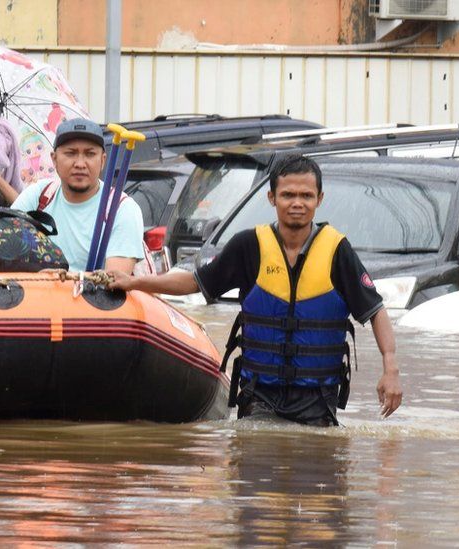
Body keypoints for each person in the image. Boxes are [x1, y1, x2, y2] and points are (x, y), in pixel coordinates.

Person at [110, 155, 402, 426]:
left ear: (319, 199)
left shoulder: (338, 250)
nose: (297, 203)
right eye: (288, 195)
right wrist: (135, 282)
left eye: (306, 196)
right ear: (272, 197)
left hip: (318, 400)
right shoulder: (247, 246)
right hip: (258, 395)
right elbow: (194, 282)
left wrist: (391, 369)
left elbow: (375, 311)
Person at [11, 118, 144, 274]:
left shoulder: (121, 208)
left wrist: (61, 280)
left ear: (102, 160)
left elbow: (113, 282)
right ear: (54, 159)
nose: (80, 164)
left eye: (90, 154)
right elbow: (6, 244)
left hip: (94, 298)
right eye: (71, 153)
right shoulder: (39, 195)